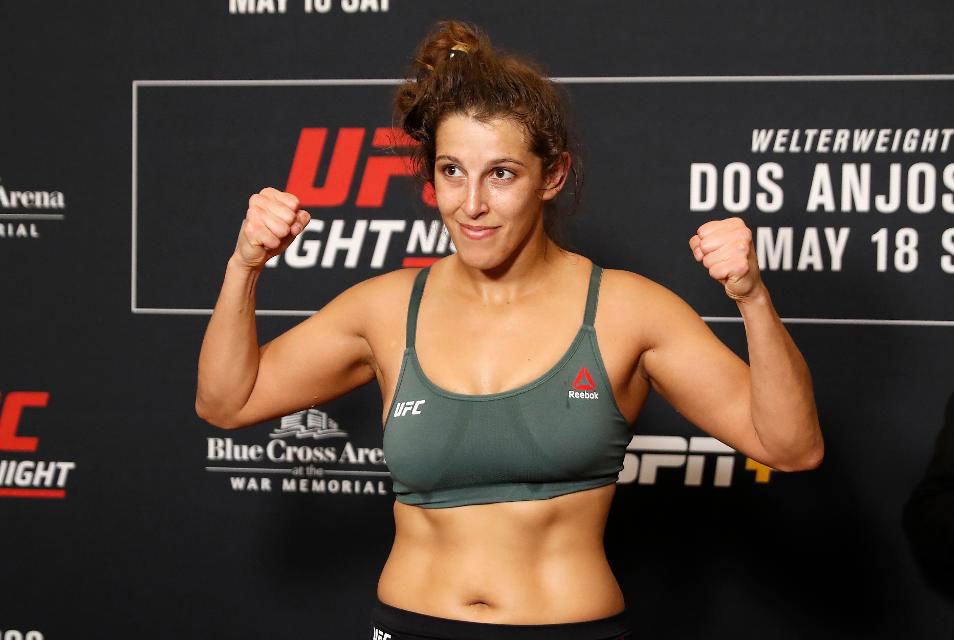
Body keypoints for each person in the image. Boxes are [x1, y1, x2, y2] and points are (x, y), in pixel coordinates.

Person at [195, 19, 824, 640]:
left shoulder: (627, 310)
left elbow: (791, 447)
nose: (471, 204)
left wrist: (751, 297)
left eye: (501, 173)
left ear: (552, 175)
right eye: (452, 171)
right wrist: (244, 265)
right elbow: (228, 402)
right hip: (411, 626)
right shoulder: (385, 309)